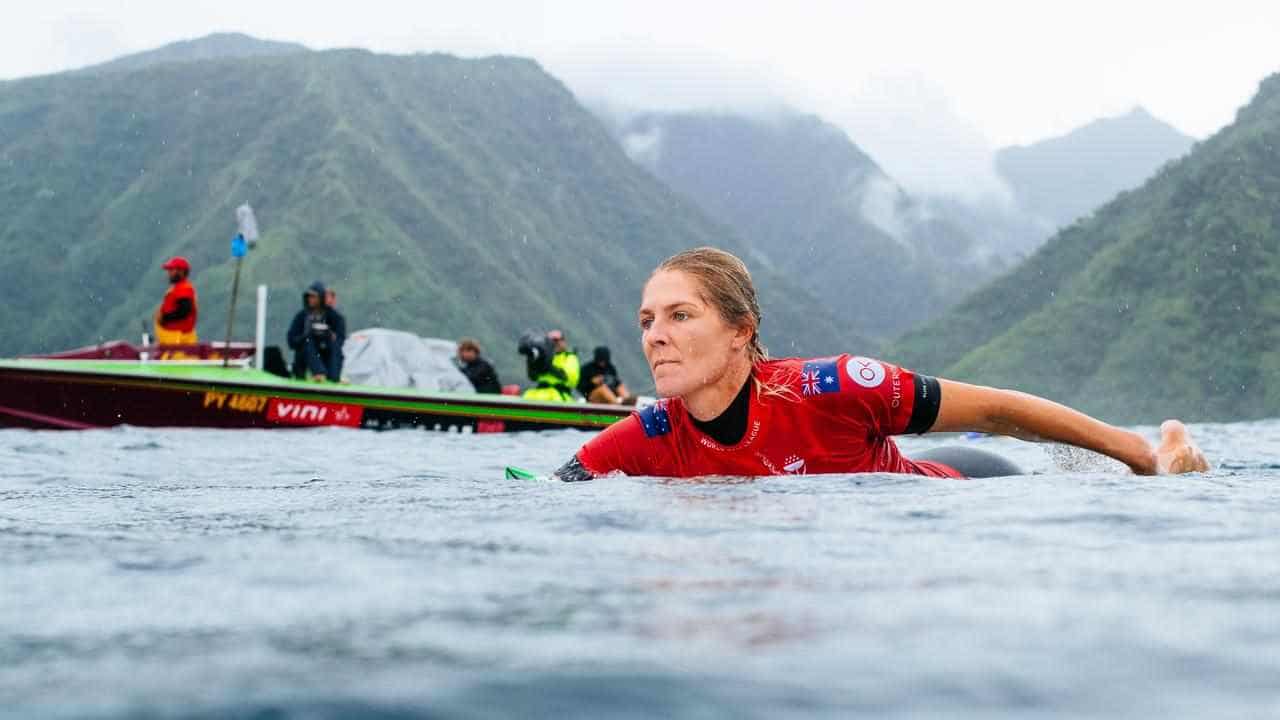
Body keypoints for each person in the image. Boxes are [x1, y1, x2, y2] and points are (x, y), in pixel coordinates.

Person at [552, 247, 1210, 482]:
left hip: (970, 484)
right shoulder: (648, 436)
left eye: (680, 315)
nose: (655, 336)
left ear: (739, 332)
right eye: (646, 321)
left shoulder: (831, 387)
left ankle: (1168, 448)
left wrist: (1135, 454)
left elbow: (997, 411)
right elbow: (543, 497)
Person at [286, 281, 345, 382]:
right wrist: (308, 335)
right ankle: (318, 373)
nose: (311, 299)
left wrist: (328, 335)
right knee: (308, 341)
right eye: (309, 296)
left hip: (327, 353)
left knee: (335, 347)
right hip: (305, 356)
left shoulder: (334, 316)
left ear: (321, 297)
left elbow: (340, 339)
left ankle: (334, 378)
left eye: (314, 297)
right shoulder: (302, 316)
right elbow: (291, 340)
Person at [154, 256, 198, 359]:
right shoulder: (179, 288)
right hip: (174, 340)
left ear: (181, 271)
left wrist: (164, 318)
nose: (169, 273)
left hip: (177, 340)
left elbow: (184, 311)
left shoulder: (183, 288)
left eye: (171, 270)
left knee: (176, 365)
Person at [519, 330, 574, 402]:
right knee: (526, 398)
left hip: (560, 397)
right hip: (538, 394)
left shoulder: (569, 357)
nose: (554, 343)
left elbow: (568, 378)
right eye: (549, 341)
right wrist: (531, 361)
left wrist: (549, 367)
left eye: (556, 340)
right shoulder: (541, 356)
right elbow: (533, 377)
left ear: (563, 342)